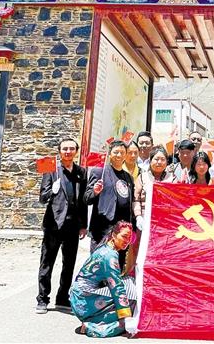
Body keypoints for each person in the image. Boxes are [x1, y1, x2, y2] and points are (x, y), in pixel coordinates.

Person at [36, 138, 88, 314]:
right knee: (47, 263)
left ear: (76, 151)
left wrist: (83, 225)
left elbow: (83, 201)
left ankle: (62, 297)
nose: (68, 151)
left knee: (69, 264)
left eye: (71, 149)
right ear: (59, 151)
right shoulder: (51, 169)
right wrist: (52, 191)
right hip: (54, 225)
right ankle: (42, 299)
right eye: (65, 149)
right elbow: (42, 198)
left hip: (73, 226)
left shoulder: (81, 172)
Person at [70, 221, 135, 338]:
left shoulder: (105, 248)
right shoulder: (110, 256)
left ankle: (96, 319)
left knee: (128, 286)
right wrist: (126, 316)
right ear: (114, 235)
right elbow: (116, 287)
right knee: (131, 302)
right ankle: (92, 326)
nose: (127, 241)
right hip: (83, 300)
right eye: (124, 236)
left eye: (129, 238)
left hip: (80, 294)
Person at [85, 141, 136, 261]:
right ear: (109, 154)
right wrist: (95, 192)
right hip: (102, 229)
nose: (119, 155)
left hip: (121, 231)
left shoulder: (128, 177)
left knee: (118, 264)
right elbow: (87, 198)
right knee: (99, 263)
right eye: (116, 152)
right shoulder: (99, 172)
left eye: (122, 152)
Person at [128, 146, 169, 274]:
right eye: (156, 159)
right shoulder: (142, 177)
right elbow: (136, 199)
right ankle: (138, 275)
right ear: (150, 160)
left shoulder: (172, 179)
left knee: (160, 251)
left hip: (164, 223)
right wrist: (138, 216)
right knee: (141, 248)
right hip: (144, 221)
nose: (159, 162)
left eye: (162, 159)